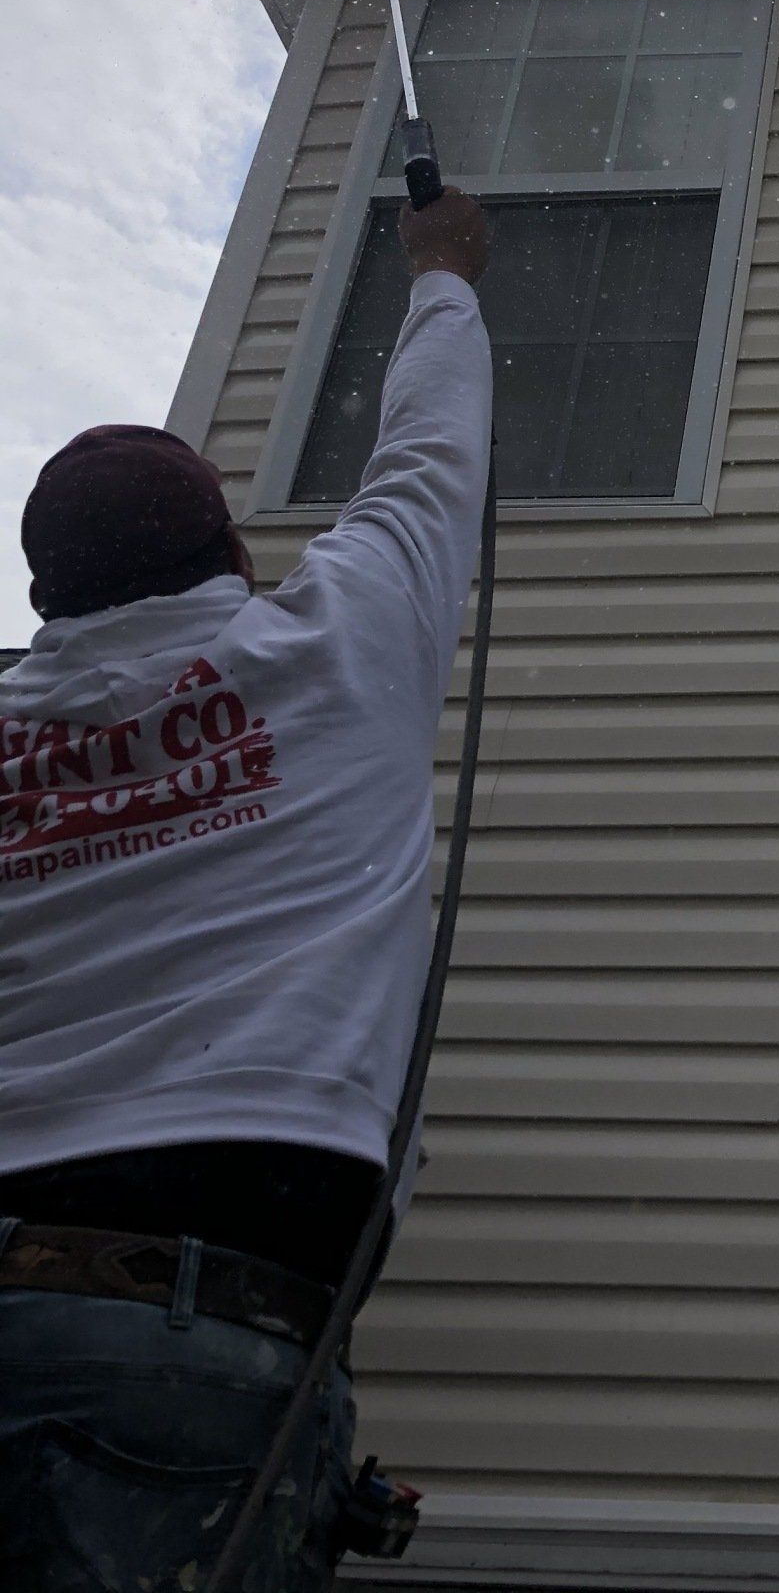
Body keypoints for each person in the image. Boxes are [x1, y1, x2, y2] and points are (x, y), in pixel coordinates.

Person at [0, 187, 492, 1592]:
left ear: (46, 594)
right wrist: (444, 273)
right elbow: (431, 451)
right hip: (197, 1338)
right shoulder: (337, 642)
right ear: (231, 555)